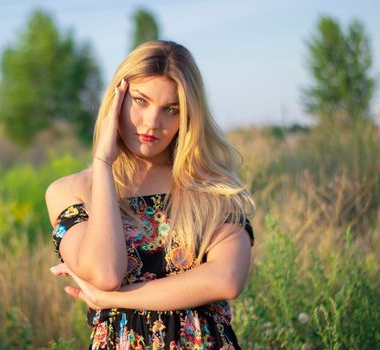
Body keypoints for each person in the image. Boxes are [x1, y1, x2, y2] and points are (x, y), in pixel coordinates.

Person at [46, 40, 255, 350]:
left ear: (187, 117)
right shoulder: (70, 191)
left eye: (171, 109)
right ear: (116, 98)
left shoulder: (211, 188)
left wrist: (110, 300)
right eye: (140, 101)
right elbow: (105, 273)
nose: (151, 123)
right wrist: (102, 164)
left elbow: (225, 279)